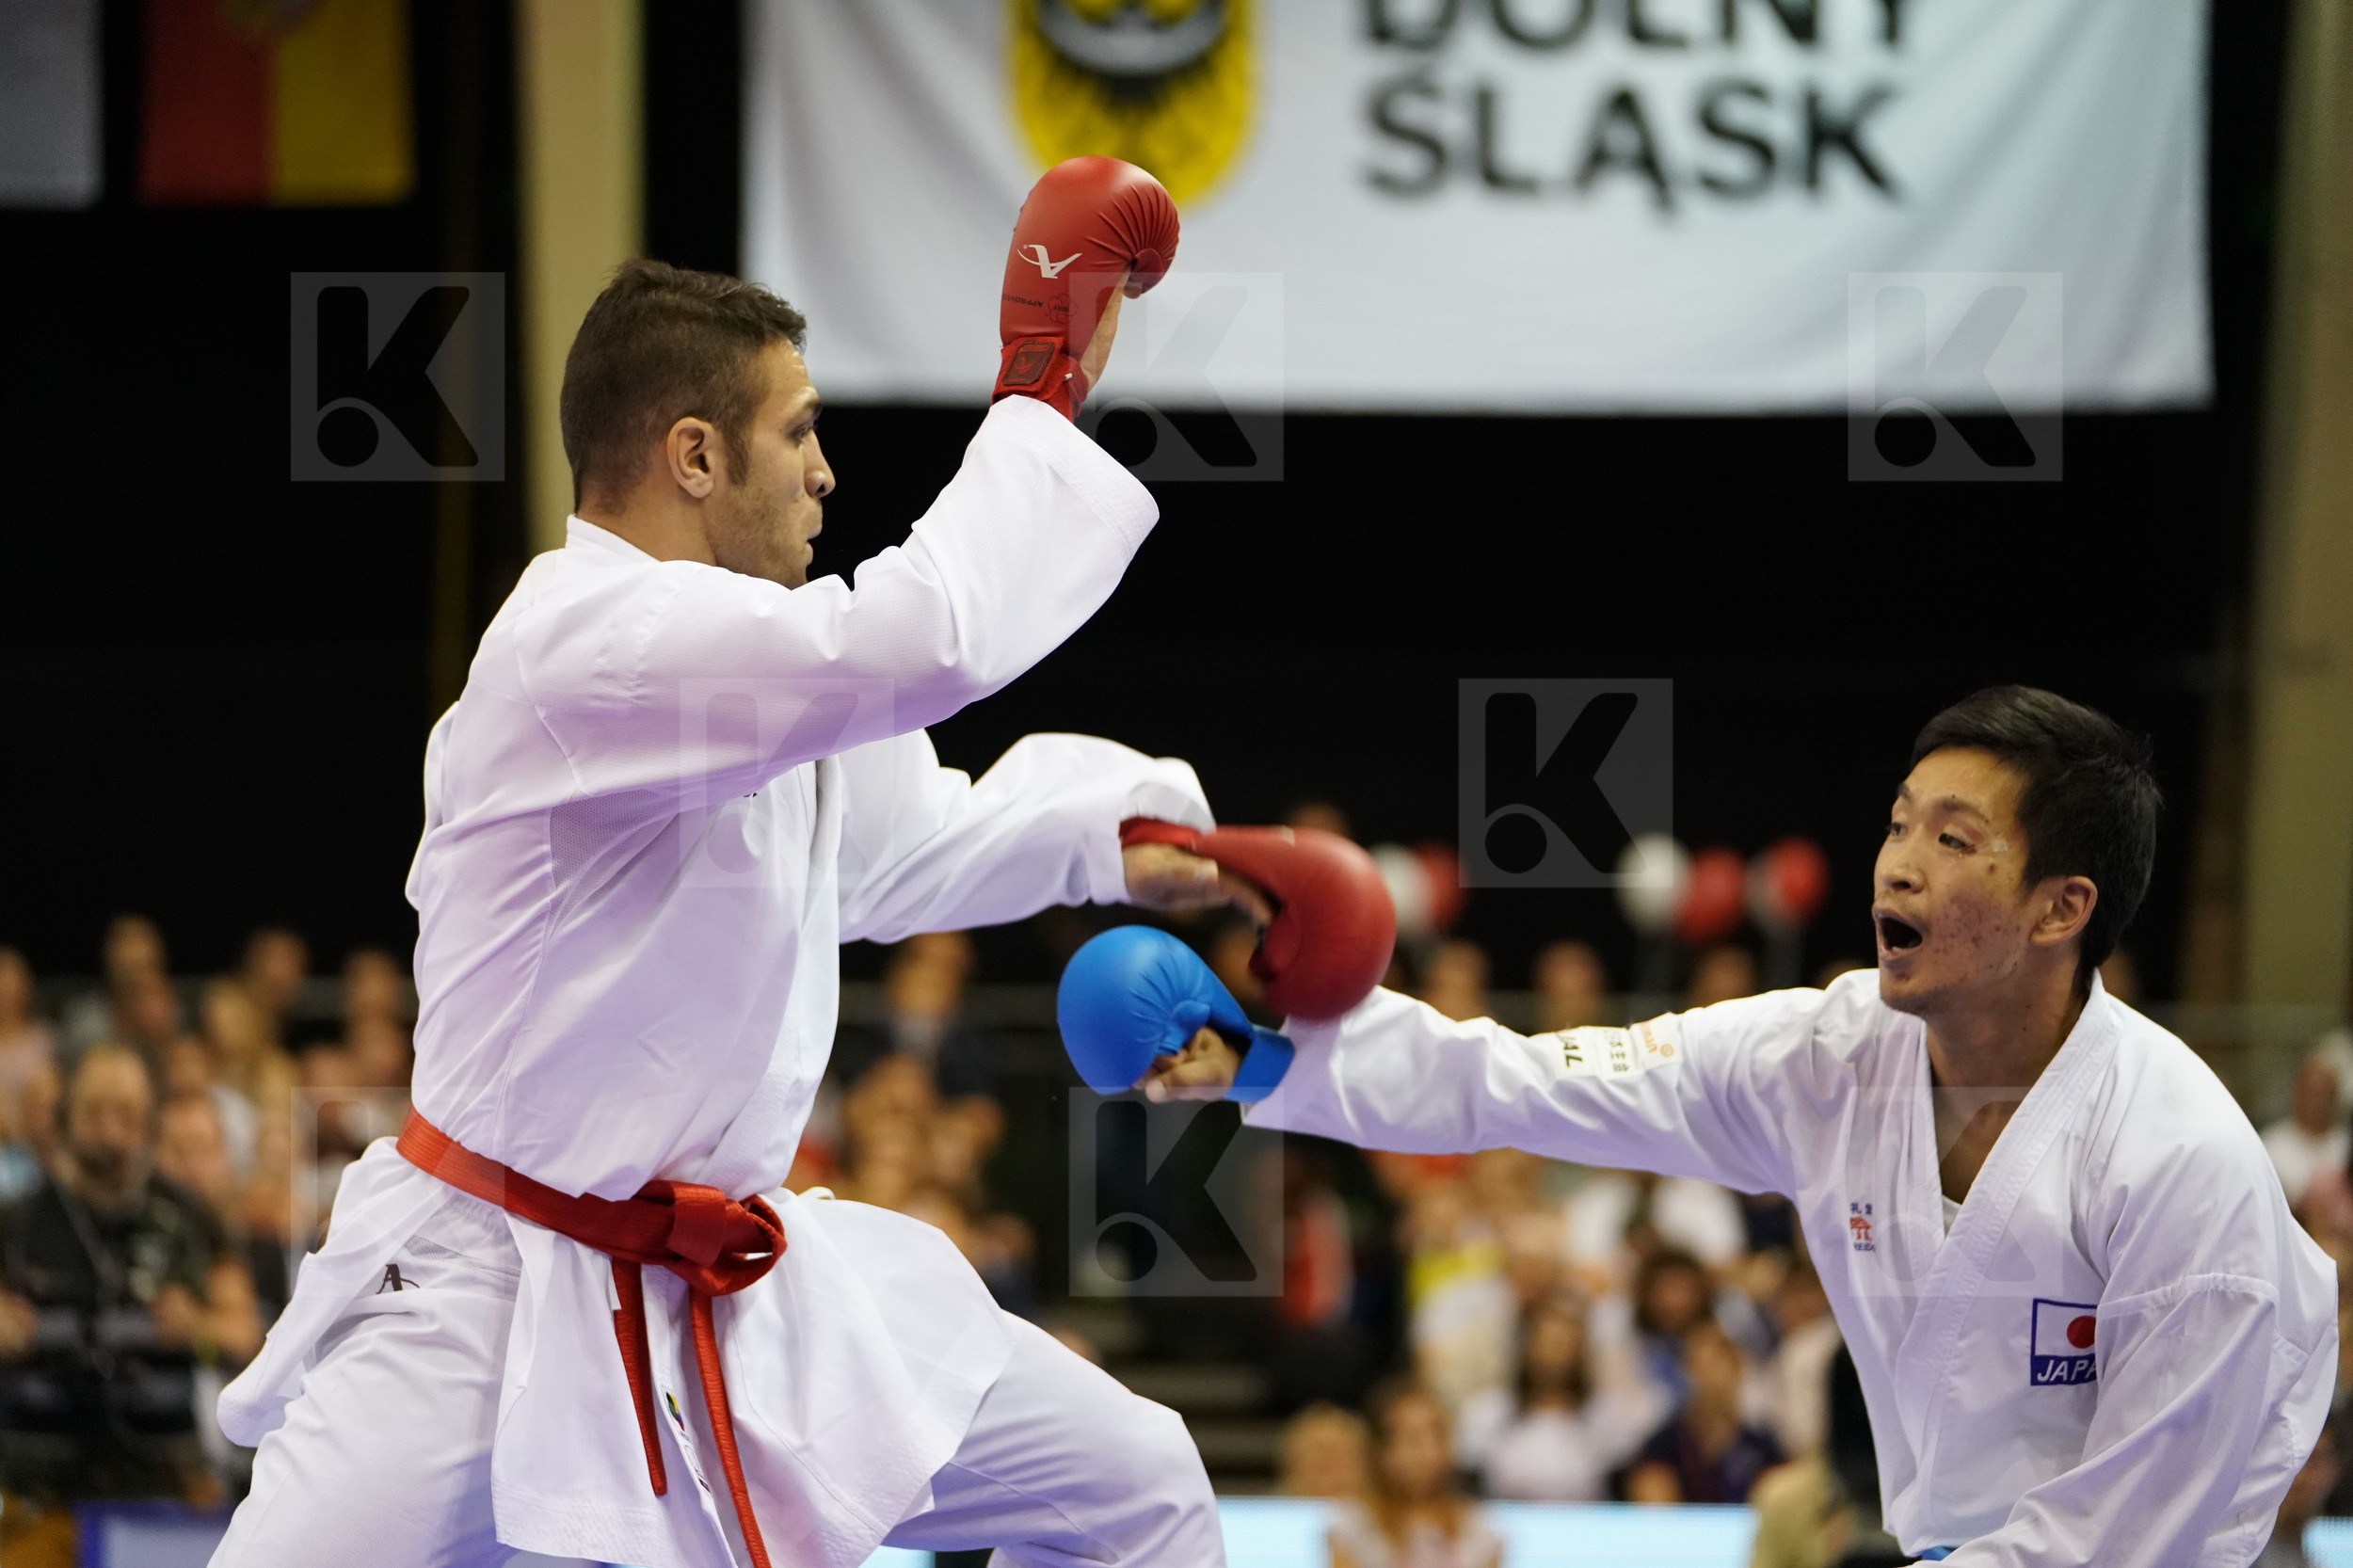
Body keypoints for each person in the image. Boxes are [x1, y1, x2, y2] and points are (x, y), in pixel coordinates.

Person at [213, 161, 1239, 1568]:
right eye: (798, 431)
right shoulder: (588, 644)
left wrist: (1131, 840)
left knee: (1137, 1484)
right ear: (695, 456)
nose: (826, 467)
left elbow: (897, 850)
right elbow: (920, 642)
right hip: (486, 1295)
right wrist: (1038, 390)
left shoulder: (755, 676)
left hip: (736, 1292)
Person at [1123, 686, 2338, 1565]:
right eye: (1901, 821)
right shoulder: (1823, 1057)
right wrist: (1265, 1057)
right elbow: (1532, 1079)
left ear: (2061, 906)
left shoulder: (2182, 1166)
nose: (1899, 866)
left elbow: (2130, 1536)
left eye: (1955, 840)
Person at [0, 1047, 261, 1504]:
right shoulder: (16, 1220)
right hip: (34, 1480)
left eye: (126, 1112)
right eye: (94, 1110)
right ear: (64, 1118)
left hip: (162, 1481)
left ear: (150, 1124)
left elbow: (246, 1337)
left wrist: (197, 1328)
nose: (110, 1129)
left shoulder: (192, 1219)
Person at [1453, 1292, 1659, 1501]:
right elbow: (1468, 1484)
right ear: (1526, 1347)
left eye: (1564, 1343)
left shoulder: (1603, 1415)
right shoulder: (1491, 1411)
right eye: (1546, 1341)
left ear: (1581, 1351)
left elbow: (1621, 1485)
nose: (1554, 1354)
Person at [1326, 1381, 1504, 1568]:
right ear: (1381, 1450)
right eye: (1413, 1439)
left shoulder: (1479, 1531)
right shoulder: (1352, 1530)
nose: (1430, 1453)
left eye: (1438, 1436)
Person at [1623, 1319, 1784, 1504]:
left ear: (1738, 1369)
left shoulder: (1763, 1445)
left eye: (1718, 1365)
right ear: (1687, 1373)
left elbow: (1775, 1505)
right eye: (1700, 1367)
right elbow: (1654, 1512)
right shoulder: (1662, 1445)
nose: (1709, 1378)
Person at [2265, 1053, 2347, 1208]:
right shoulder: (2271, 1146)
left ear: (2336, 1097)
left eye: (2324, 1093)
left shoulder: (2347, 1146)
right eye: (2311, 1092)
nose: (2317, 1102)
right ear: (2296, 1093)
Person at [1275, 1400, 1371, 1498]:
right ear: (1292, 1462)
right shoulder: (1270, 1511)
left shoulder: (1376, 1512)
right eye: (1317, 1449)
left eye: (1337, 1452)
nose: (1327, 1459)